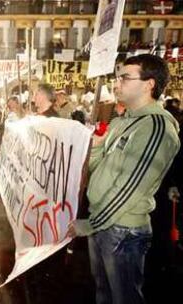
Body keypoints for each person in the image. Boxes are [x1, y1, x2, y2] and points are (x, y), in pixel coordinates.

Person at [68, 54, 181, 304]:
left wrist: (90, 224)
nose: (117, 85)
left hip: (123, 230)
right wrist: (96, 146)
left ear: (149, 84)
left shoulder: (155, 127)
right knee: (104, 294)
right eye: (117, 78)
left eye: (125, 78)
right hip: (102, 222)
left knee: (124, 298)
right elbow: (97, 167)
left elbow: (129, 189)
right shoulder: (123, 121)